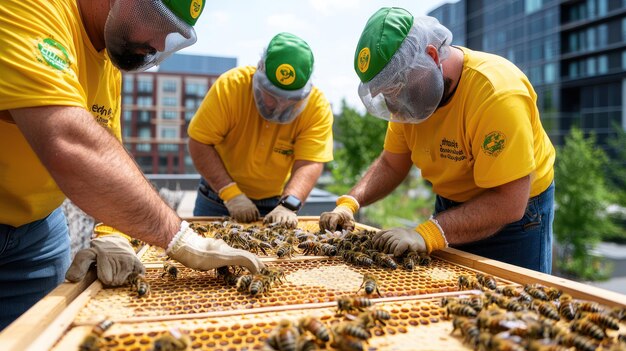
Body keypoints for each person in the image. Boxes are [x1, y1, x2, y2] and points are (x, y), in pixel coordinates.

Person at [0, 0, 263, 330]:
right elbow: (68, 143)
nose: (157, 44)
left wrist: (113, 234)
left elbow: (108, 146)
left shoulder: (106, 54)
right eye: (156, 21)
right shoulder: (32, 7)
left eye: (171, 35)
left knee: (39, 334)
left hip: (38, 229)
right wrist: (180, 238)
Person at [320, 7, 556, 273]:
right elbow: (391, 164)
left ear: (431, 56)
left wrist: (429, 232)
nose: (394, 102)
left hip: (515, 216)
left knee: (514, 307)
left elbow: (509, 201)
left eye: (398, 87)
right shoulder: (409, 101)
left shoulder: (496, 93)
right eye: (387, 93)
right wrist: (350, 203)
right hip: (451, 206)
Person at [188, 32, 334, 228]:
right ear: (259, 72)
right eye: (272, 95)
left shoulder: (317, 106)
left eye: (290, 99)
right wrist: (231, 194)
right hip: (217, 198)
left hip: (275, 205)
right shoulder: (231, 86)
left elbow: (310, 162)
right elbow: (199, 142)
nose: (280, 105)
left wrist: (289, 204)